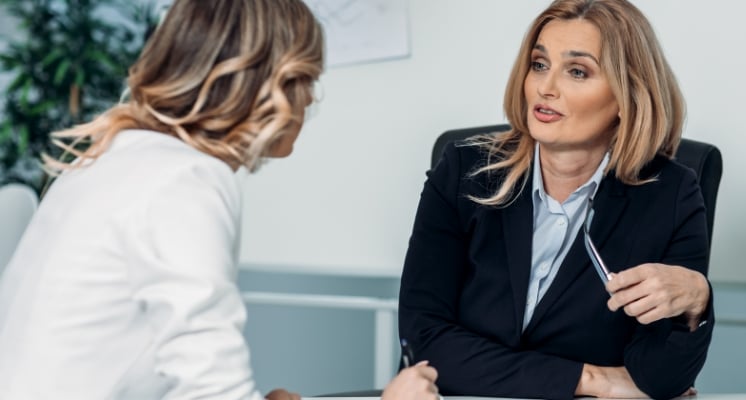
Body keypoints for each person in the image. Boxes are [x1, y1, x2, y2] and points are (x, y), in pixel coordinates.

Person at [0, 1, 439, 399]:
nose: (311, 99)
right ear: (279, 85)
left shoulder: (114, 158)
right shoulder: (185, 180)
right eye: (310, 80)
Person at [398, 0, 713, 399]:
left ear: (628, 95)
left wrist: (697, 302)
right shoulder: (465, 171)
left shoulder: (671, 195)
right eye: (539, 64)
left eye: (577, 71)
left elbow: (658, 382)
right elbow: (424, 342)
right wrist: (589, 379)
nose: (545, 88)